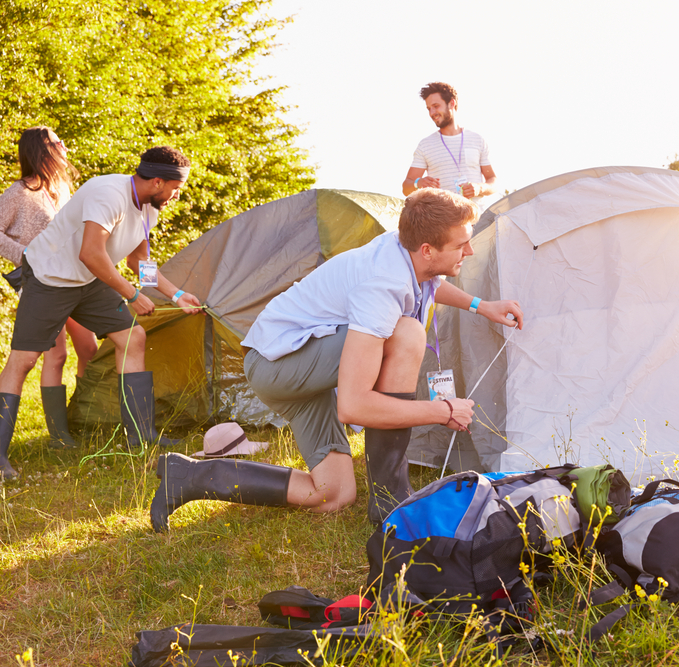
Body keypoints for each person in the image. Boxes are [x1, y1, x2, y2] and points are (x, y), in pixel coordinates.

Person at [149, 188, 524, 532]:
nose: (469, 251)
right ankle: (391, 496)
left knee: (333, 494)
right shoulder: (383, 283)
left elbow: (429, 281)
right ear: (427, 248)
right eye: (461, 244)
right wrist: (442, 411)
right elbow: (353, 406)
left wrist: (481, 306)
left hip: (298, 368)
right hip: (277, 366)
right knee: (407, 332)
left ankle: (190, 476)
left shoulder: (405, 250)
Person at [0, 146, 202, 481]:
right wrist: (131, 294)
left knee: (132, 336)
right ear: (156, 182)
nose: (177, 195)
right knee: (24, 361)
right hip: (49, 276)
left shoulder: (148, 208)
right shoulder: (107, 193)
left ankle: (141, 437)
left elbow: (139, 262)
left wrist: (176, 294)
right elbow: (91, 253)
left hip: (88, 281)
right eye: (176, 188)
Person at [0, 127, 100, 450]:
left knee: (89, 349)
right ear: (43, 149)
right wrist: (24, 255)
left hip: (74, 281)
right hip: (41, 284)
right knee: (56, 355)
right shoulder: (18, 193)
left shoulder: (63, 188)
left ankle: (82, 417)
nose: (64, 145)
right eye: (58, 141)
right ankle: (59, 436)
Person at [402, 82, 498, 205]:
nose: (432, 112)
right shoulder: (425, 145)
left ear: (452, 103)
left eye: (436, 106)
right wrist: (419, 183)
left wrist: (479, 188)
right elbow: (406, 187)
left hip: (478, 219)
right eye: (429, 108)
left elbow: (493, 181)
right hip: (444, 220)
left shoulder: (477, 140)